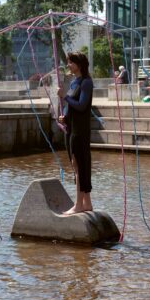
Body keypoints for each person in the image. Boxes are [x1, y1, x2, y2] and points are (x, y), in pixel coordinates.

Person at [57, 51, 94, 215]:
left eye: (71, 62)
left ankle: (78, 205)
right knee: (76, 165)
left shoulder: (86, 82)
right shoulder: (74, 82)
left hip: (80, 130)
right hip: (71, 128)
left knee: (80, 165)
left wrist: (64, 96)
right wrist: (64, 117)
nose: (68, 65)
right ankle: (87, 203)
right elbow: (72, 107)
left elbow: (82, 105)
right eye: (67, 62)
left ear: (79, 64)